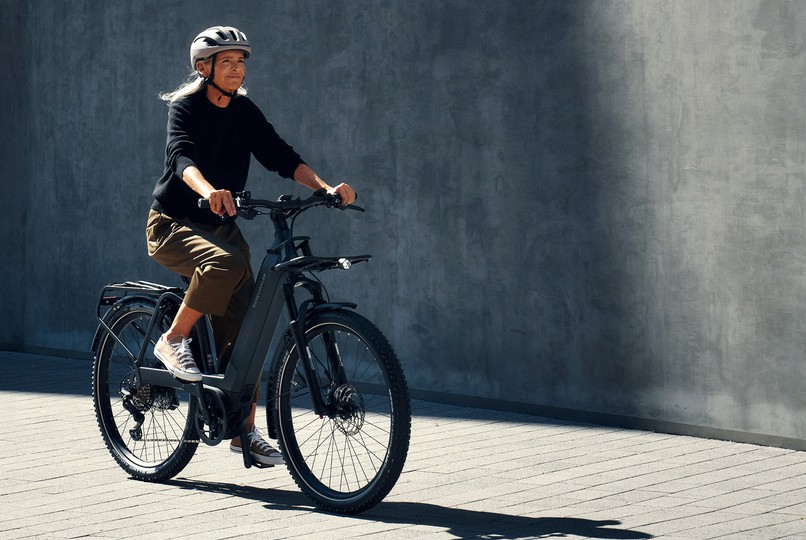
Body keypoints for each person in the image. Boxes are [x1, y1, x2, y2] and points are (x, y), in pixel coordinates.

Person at [146, 26, 355, 466]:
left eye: (241, 62)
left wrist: (325, 187)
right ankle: (173, 338)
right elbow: (181, 158)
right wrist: (208, 190)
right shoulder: (186, 108)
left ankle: (244, 432)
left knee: (247, 331)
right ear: (203, 68)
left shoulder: (243, 110)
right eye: (227, 62)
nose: (236, 69)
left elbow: (280, 154)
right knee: (224, 265)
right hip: (172, 223)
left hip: (219, 228)